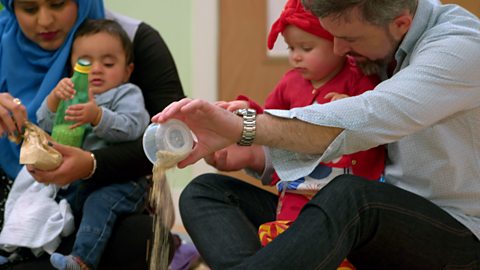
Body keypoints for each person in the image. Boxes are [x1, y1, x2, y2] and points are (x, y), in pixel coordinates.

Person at [152, 0, 480, 269]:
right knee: (206, 191)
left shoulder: (460, 49)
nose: (339, 49)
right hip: (364, 220)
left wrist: (247, 127)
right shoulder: (381, 44)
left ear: (401, 24)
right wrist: (254, 154)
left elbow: (365, 118)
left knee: (350, 195)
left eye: (350, 39)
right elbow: (336, 147)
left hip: (456, 233)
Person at [0, 0, 185, 269]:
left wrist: (91, 163)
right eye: (29, 9)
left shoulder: (129, 40)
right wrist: (51, 101)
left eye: (57, 4)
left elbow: (171, 138)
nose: (45, 21)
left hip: (104, 184)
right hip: (32, 193)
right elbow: (45, 121)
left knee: (139, 237)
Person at [216, 0, 384, 256]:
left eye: (306, 47)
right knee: (291, 235)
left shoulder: (358, 77)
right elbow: (268, 118)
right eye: (291, 47)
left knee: (342, 243)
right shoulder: (290, 82)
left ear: (337, 43)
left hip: (346, 190)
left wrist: (352, 105)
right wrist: (246, 109)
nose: (295, 56)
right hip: (299, 183)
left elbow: (377, 122)